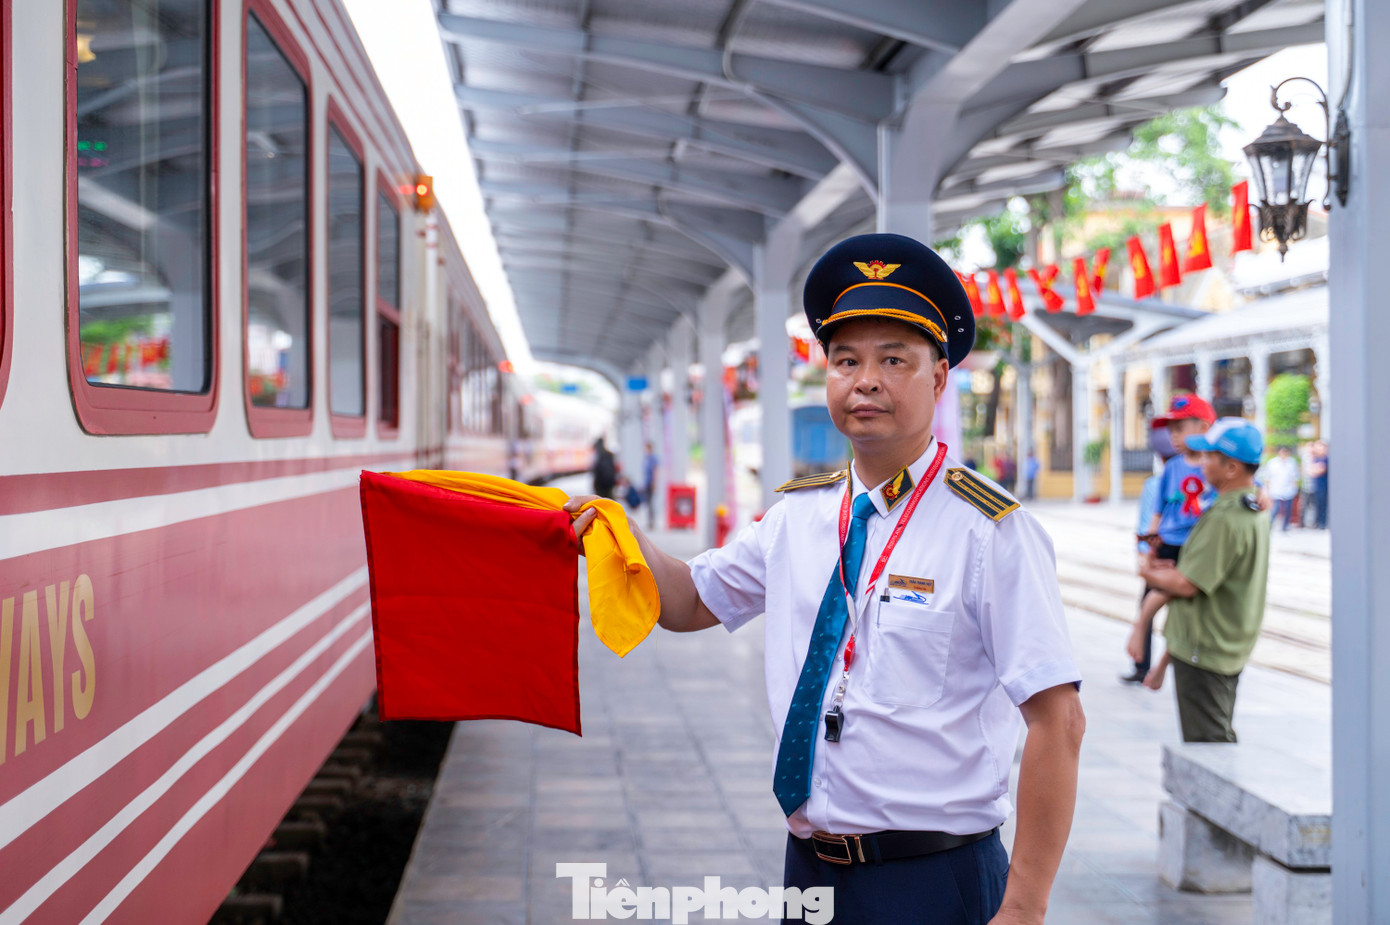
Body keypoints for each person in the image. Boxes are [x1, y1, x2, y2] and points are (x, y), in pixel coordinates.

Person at [567, 233, 1084, 925]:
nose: (864, 379)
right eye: (846, 360)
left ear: (937, 379)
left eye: (892, 359)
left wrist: (1023, 908)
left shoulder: (990, 530)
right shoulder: (799, 515)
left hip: (935, 876)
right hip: (811, 875)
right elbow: (688, 600)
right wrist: (620, 535)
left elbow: (1058, 721)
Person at [1138, 417, 1270, 742]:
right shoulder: (1248, 506)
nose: (1200, 464)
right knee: (1214, 736)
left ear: (1231, 468)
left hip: (1206, 651)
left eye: (1208, 457)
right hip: (1219, 643)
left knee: (1209, 745)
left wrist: (1147, 571)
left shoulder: (1225, 518)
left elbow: (1187, 584)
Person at [1120, 394, 1216, 684]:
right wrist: (1149, 544)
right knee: (1149, 597)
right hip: (1168, 543)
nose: (1172, 436)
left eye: (1179, 428)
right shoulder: (1172, 467)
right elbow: (1158, 511)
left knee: (1186, 605)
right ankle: (1141, 664)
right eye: (1170, 430)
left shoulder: (1215, 464)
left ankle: (1180, 661)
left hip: (1197, 545)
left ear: (1202, 427)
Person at [1262, 445, 1300, 531]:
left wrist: (1295, 488)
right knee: (1275, 509)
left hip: (1288, 490)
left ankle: (1285, 527)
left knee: (1287, 510)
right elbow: (1267, 477)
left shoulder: (1291, 462)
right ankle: (1269, 525)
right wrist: (1267, 490)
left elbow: (1295, 476)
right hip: (1275, 489)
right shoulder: (1272, 463)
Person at [1309, 440, 1329, 529]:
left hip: (1324, 486)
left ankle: (1323, 523)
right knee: (1317, 505)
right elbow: (1310, 471)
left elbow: (1320, 470)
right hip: (1316, 486)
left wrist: (1315, 469)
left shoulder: (1326, 459)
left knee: (1323, 505)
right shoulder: (1315, 458)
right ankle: (1318, 522)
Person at [642, 440, 660, 530]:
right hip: (647, 483)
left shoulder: (653, 459)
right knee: (648, 503)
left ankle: (652, 522)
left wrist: (654, 483)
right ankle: (649, 521)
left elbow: (655, 471)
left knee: (651, 503)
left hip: (651, 483)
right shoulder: (647, 458)